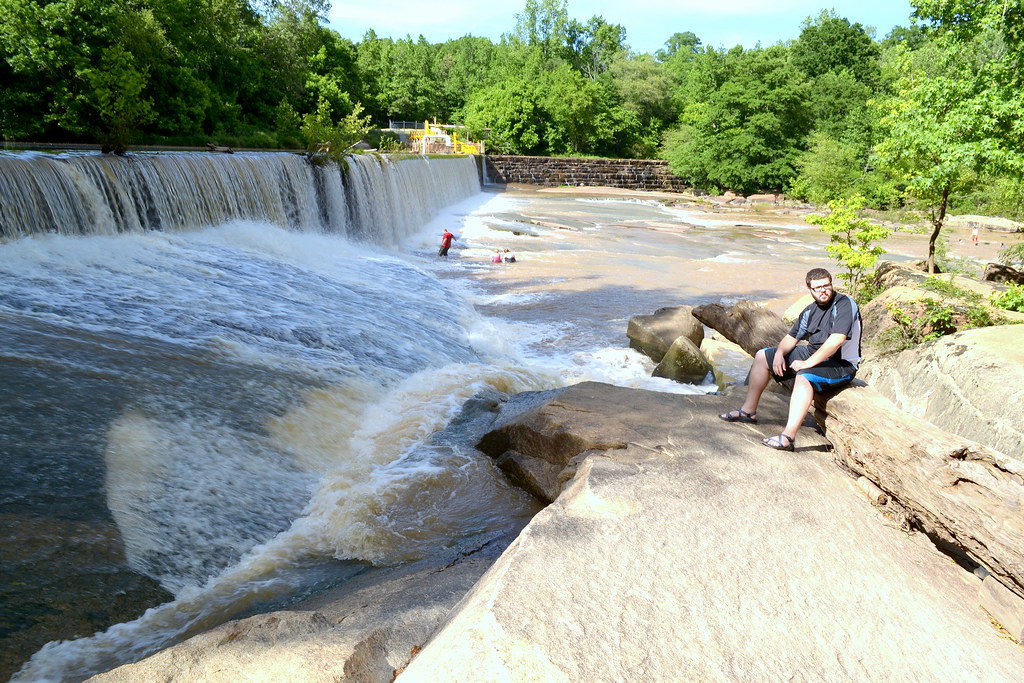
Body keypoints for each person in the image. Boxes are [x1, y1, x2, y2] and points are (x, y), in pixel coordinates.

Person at [718, 268, 862, 451]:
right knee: (763, 356)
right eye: (818, 287)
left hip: (842, 364)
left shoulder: (844, 304)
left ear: (832, 285)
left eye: (826, 285)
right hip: (813, 353)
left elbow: (837, 340)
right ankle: (748, 411)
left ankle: (788, 437)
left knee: (804, 376)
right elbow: (791, 338)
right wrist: (779, 354)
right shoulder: (810, 310)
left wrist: (807, 364)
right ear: (809, 289)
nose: (823, 290)